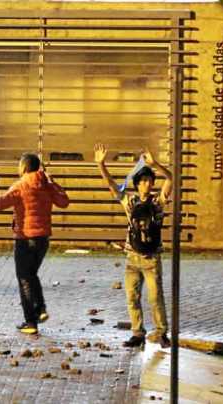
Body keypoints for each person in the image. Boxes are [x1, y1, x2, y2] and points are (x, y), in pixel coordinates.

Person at [95, 144, 172, 348]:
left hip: (151, 258)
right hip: (132, 258)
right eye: (143, 181)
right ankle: (138, 333)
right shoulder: (130, 202)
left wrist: (156, 164)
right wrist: (101, 165)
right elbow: (112, 186)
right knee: (132, 297)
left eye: (149, 181)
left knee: (155, 298)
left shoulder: (158, 203)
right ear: (137, 184)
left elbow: (171, 179)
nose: (146, 184)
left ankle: (162, 332)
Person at [0, 154, 70, 335]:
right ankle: (40, 309)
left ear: (23, 167)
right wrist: (53, 182)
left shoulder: (20, 185)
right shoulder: (46, 185)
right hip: (43, 239)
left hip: (25, 238)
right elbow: (64, 202)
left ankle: (30, 321)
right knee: (31, 275)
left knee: (24, 278)